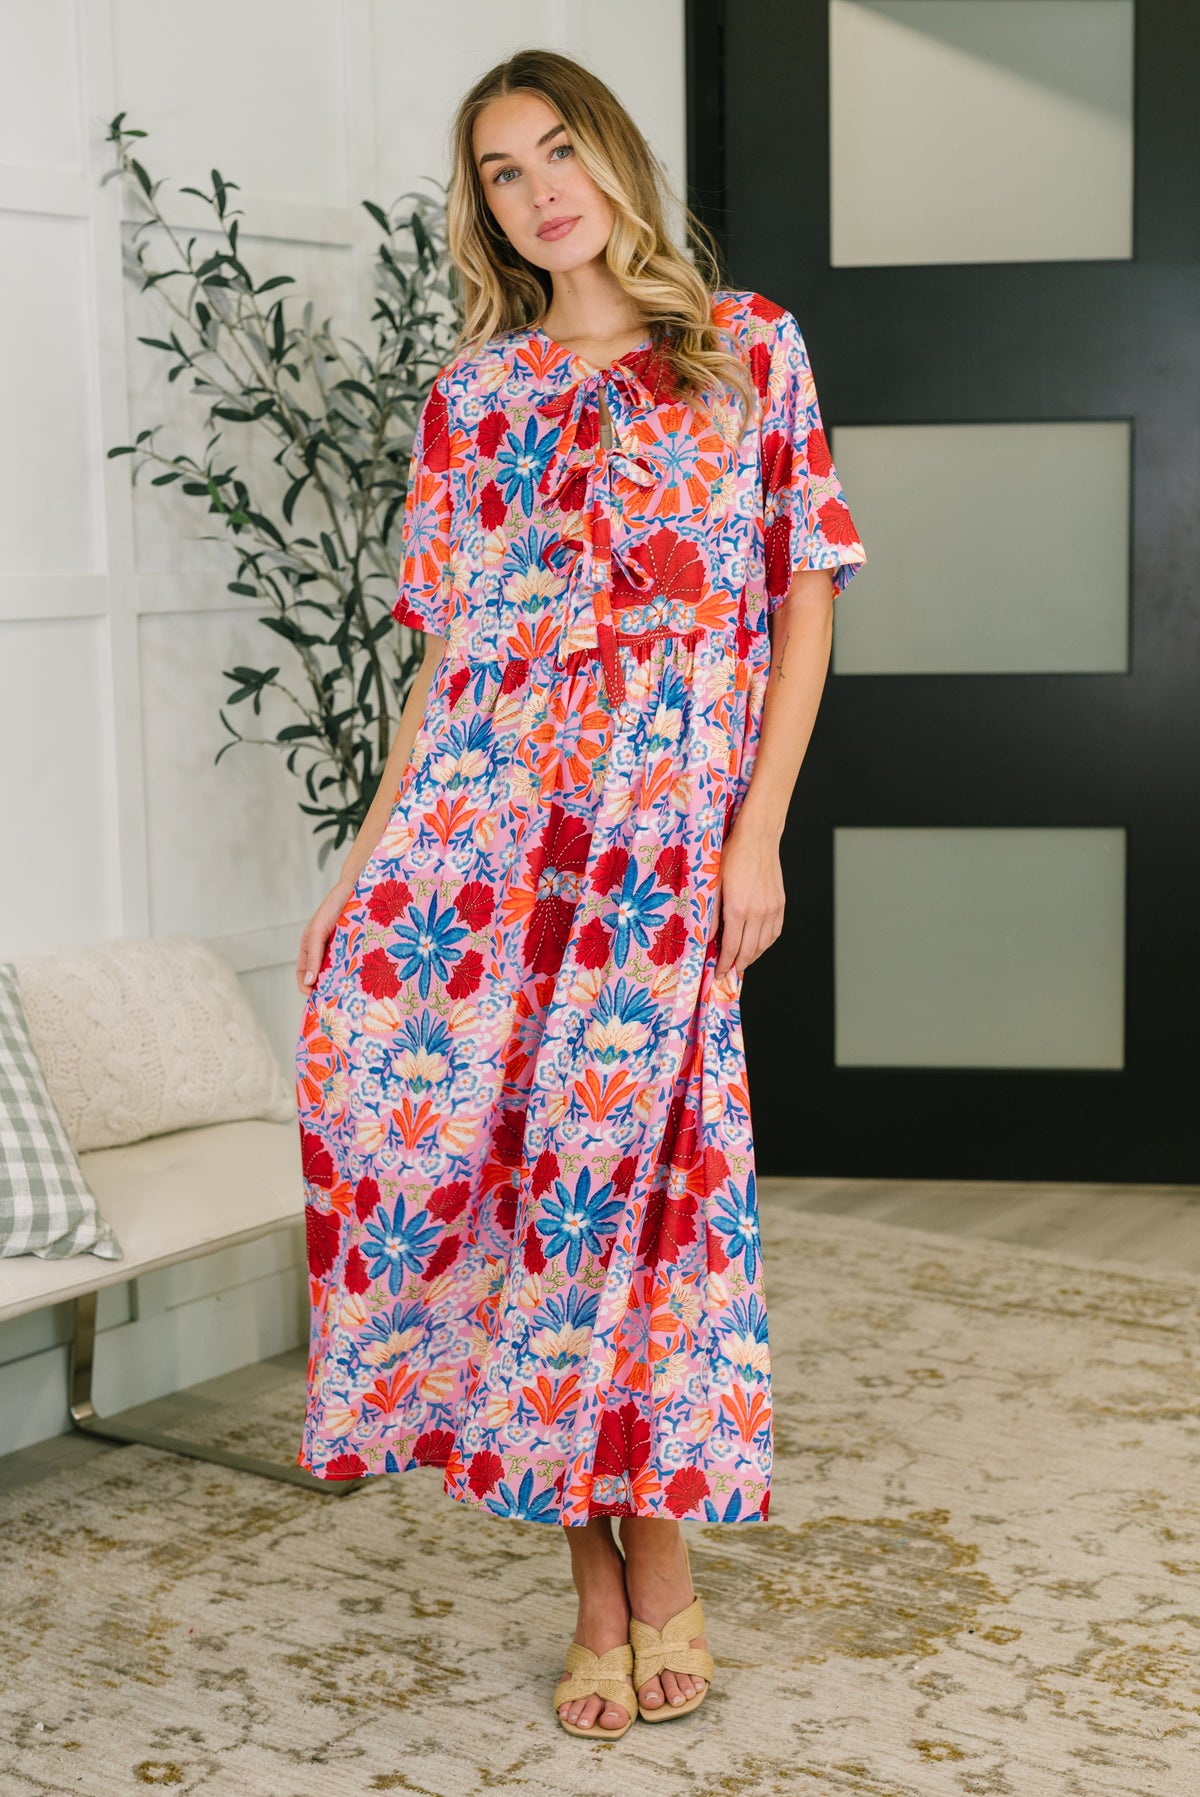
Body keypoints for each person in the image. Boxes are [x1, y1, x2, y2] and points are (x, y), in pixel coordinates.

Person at [293, 48, 865, 1741]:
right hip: (486, 842)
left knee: (647, 1197)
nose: (540, 189)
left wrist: (756, 832)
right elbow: (453, 661)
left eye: (560, 150)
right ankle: (591, 1582)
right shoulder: (475, 398)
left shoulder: (747, 347)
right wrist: (366, 852)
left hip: (665, 850)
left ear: (614, 158)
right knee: (501, 1179)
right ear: (483, 208)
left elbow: (805, 606)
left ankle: (662, 1552)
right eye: (499, 171)